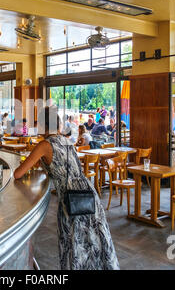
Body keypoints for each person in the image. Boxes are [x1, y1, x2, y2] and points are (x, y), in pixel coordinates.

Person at [14, 106, 119, 270]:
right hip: (87, 192)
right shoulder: (67, 141)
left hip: (70, 198)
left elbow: (18, 174)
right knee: (95, 241)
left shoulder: (44, 145)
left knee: (74, 244)